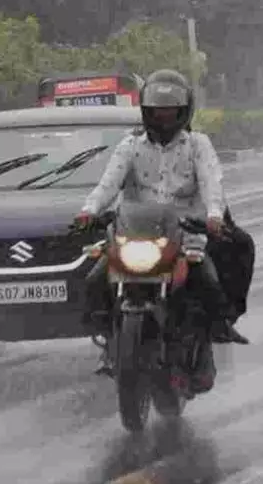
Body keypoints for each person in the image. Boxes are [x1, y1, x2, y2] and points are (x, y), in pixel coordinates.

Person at [74, 69, 248, 391]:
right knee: (94, 282)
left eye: (170, 110)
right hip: (135, 234)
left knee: (209, 282)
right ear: (146, 111)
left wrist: (213, 215)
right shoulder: (130, 146)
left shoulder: (198, 145)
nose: (163, 117)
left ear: (184, 110)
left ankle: (210, 336)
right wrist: (89, 210)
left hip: (184, 234)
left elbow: (212, 183)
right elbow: (108, 184)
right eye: (157, 110)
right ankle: (110, 344)